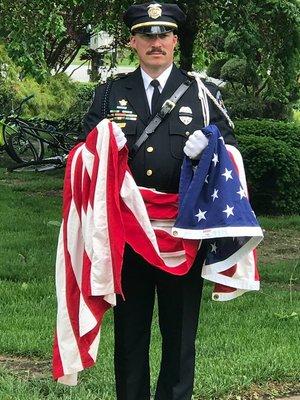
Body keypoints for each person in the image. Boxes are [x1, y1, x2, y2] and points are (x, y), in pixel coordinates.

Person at [81, 3, 237, 400]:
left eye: (163, 34)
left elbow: (232, 155)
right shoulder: (109, 94)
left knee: (180, 333)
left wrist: (211, 148)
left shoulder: (203, 94)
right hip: (130, 232)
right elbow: (83, 154)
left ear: (175, 41)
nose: (156, 42)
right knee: (131, 333)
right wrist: (101, 147)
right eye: (146, 35)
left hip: (183, 230)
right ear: (133, 41)